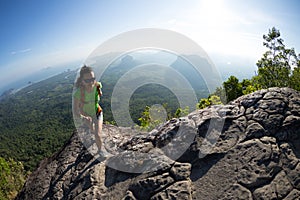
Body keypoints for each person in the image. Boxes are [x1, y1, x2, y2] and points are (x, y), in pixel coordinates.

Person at [74, 65, 106, 156]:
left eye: (93, 79)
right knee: (91, 128)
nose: (91, 82)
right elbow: (76, 111)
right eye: (87, 80)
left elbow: (100, 91)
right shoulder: (78, 93)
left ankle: (101, 151)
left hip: (97, 112)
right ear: (82, 81)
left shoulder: (98, 85)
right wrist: (83, 117)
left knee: (97, 134)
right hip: (86, 114)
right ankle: (92, 131)